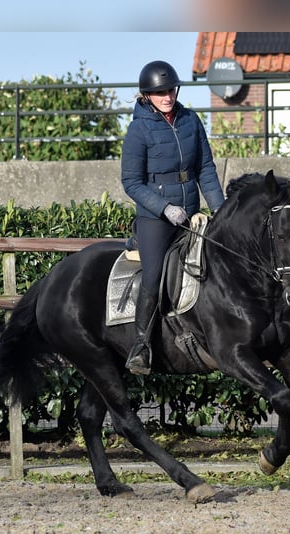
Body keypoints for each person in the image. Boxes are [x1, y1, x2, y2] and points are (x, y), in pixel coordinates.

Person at [120, 60, 225, 375]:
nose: (167, 96)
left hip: (191, 211)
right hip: (156, 219)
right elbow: (131, 182)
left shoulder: (191, 120)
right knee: (153, 275)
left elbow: (205, 168)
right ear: (147, 95)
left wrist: (220, 208)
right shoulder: (138, 130)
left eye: (170, 90)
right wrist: (164, 208)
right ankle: (141, 345)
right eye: (159, 92)